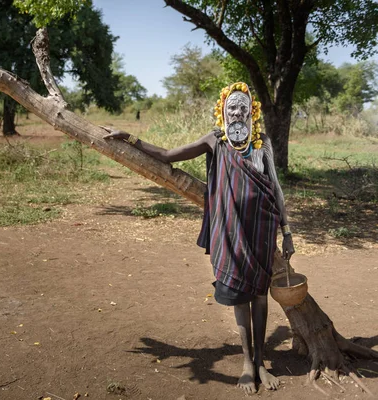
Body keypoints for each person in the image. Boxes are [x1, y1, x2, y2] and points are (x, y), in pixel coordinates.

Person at [104, 82, 295, 394]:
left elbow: (276, 189)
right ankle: (247, 362)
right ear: (223, 111)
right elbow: (168, 155)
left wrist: (287, 233)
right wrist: (129, 137)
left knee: (260, 297)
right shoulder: (215, 141)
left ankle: (261, 362)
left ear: (251, 111)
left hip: (262, 230)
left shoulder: (262, 145)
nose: (237, 111)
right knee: (237, 296)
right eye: (231, 106)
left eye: (242, 106)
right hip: (230, 234)